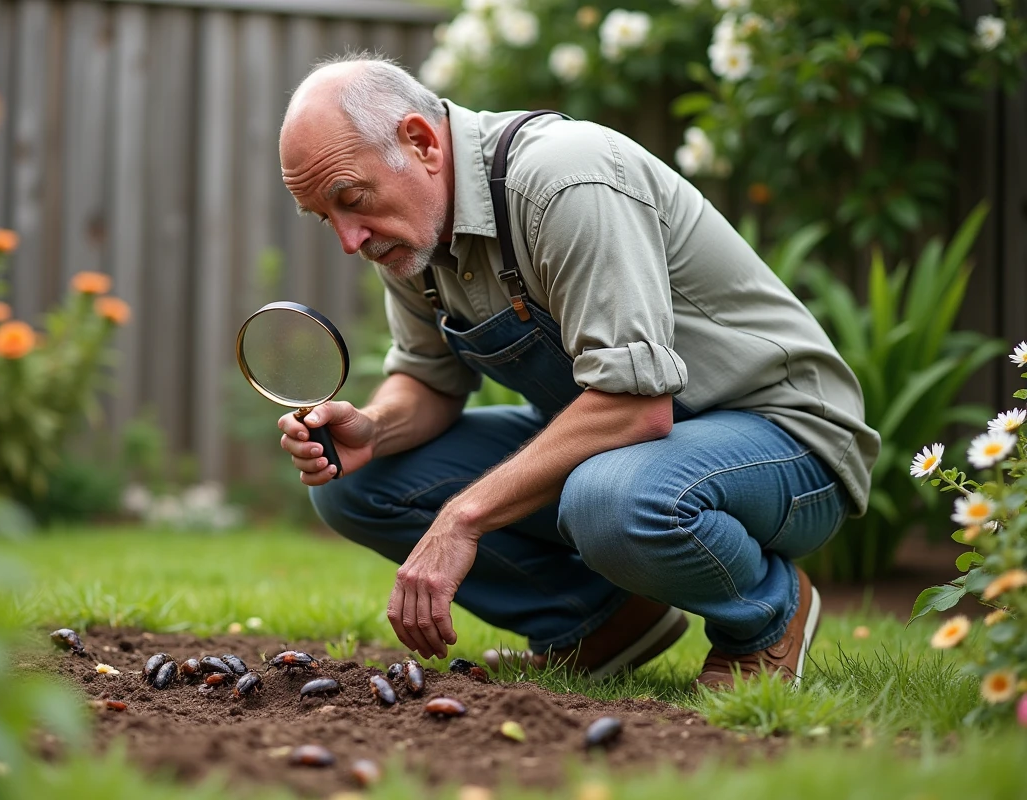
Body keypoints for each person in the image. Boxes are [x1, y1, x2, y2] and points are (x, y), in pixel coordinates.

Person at [275, 55, 879, 689]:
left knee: (612, 499)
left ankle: (768, 614)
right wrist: (374, 427)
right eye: (326, 217)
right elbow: (429, 379)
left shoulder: (563, 182)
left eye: (351, 200)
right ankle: (605, 625)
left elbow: (634, 406)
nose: (348, 239)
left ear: (421, 142)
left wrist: (462, 517)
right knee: (354, 484)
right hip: (636, 449)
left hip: (786, 441)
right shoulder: (409, 235)